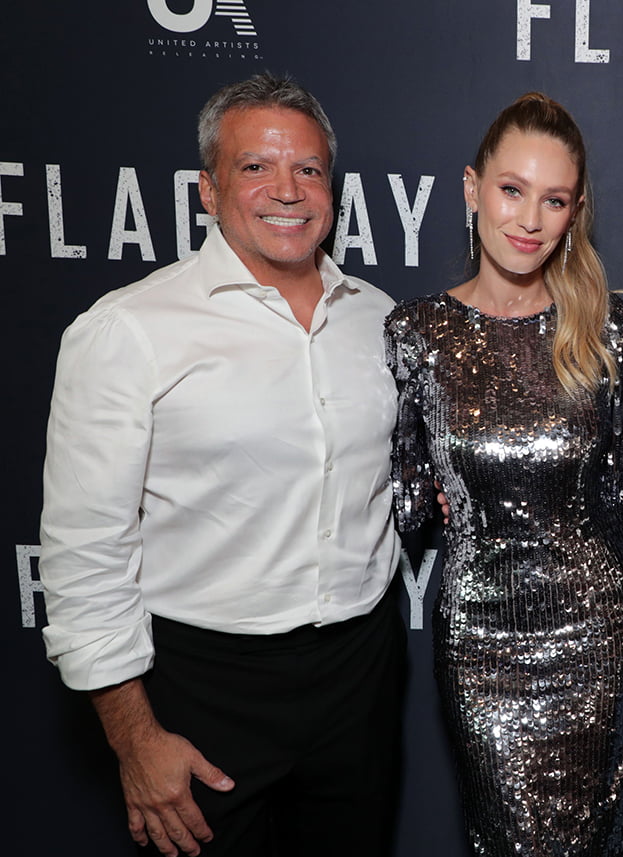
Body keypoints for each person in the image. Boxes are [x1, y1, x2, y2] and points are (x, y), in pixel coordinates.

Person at [39, 74, 404, 857]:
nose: (287, 190)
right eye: (255, 167)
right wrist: (135, 739)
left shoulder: (377, 317)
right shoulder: (128, 330)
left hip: (360, 675)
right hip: (203, 683)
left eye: (308, 169)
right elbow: (81, 552)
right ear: (207, 188)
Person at [385, 92, 623, 857]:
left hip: (591, 641)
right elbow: (405, 507)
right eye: (511, 189)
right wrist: (431, 492)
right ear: (472, 188)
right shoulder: (416, 332)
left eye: (553, 199)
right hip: (479, 643)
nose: (529, 218)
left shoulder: (609, 331)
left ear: (574, 212)